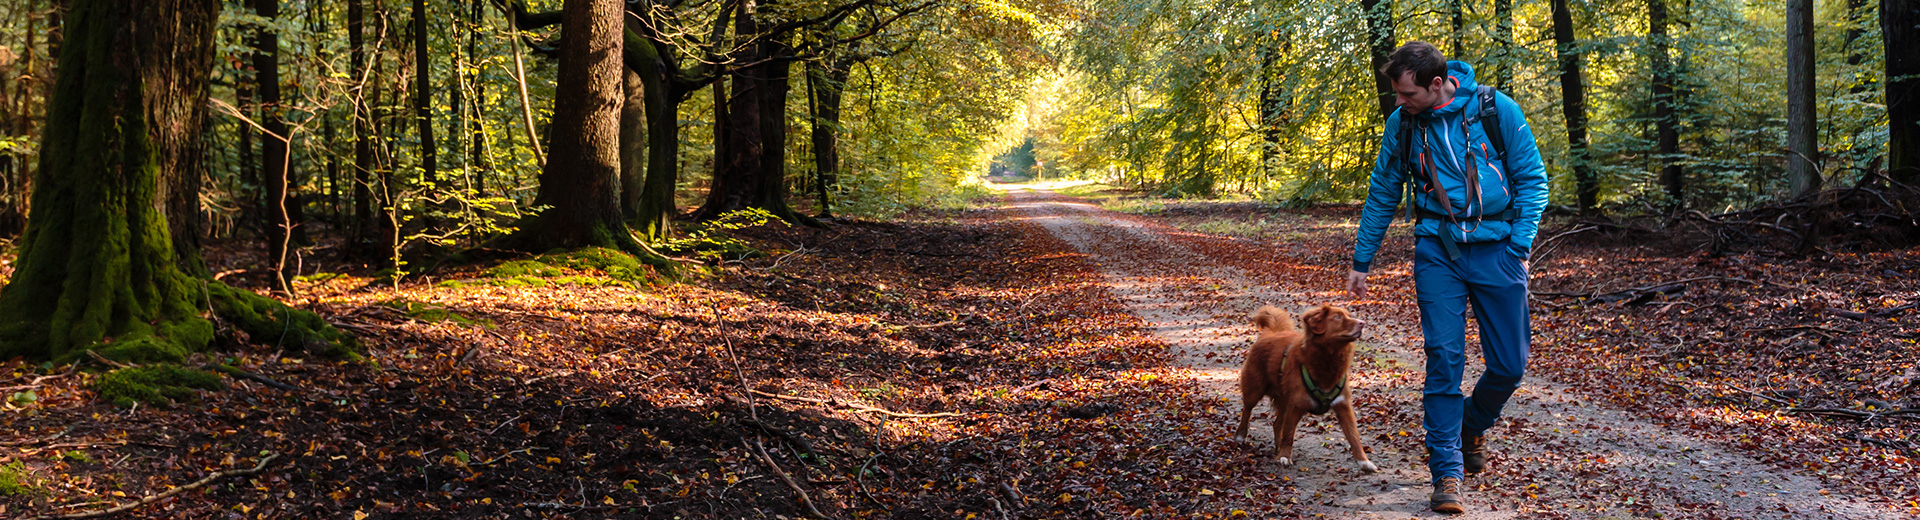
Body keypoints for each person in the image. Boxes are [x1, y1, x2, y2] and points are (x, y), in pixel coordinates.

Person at [1344, 41, 1548, 515]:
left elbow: (1534, 179)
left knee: (1509, 365)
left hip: (1499, 250)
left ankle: (1470, 424)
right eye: (1396, 94)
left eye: (1406, 93)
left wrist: (1519, 246)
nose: (1399, 102)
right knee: (1444, 357)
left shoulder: (1496, 111)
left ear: (1437, 84)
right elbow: (1383, 192)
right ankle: (1447, 473)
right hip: (1439, 250)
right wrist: (1361, 260)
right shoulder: (1404, 124)